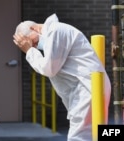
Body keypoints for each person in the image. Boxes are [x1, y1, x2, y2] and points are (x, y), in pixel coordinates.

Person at [13, 13, 111, 141]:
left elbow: (48, 69)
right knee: (92, 135)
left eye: (34, 43)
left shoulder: (55, 31)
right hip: (87, 89)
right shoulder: (54, 33)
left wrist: (29, 51)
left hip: (86, 89)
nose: (36, 47)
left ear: (34, 29)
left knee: (79, 137)